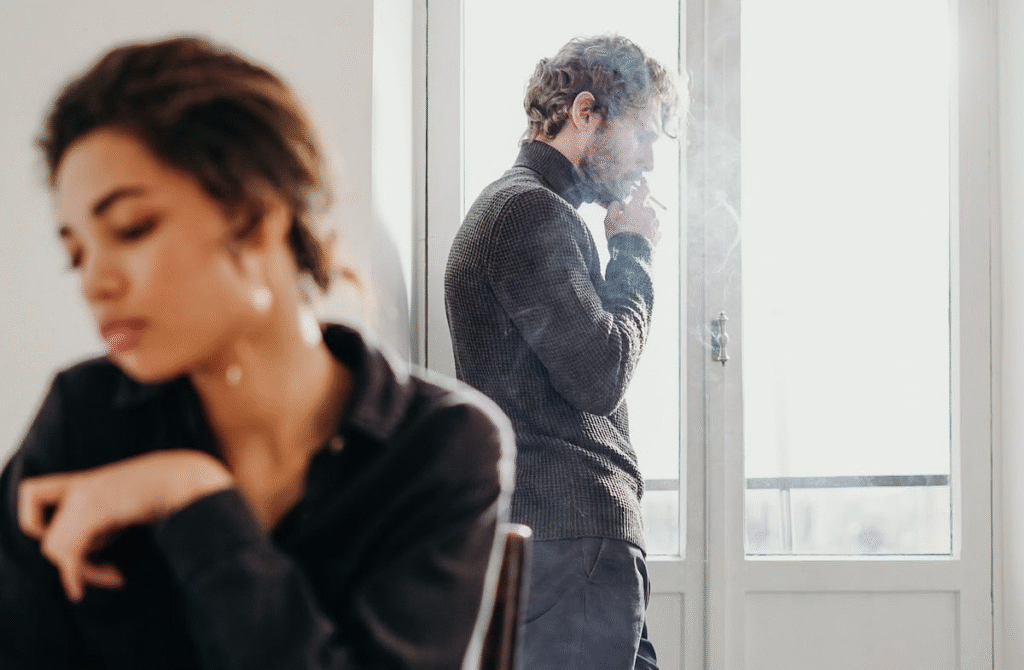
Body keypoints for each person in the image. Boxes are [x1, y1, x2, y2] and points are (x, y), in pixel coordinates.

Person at [0, 36, 512, 670]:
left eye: (130, 229)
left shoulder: (443, 445)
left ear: (259, 218)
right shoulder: (83, 414)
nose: (93, 282)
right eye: (75, 253)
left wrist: (193, 497)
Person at [444, 34, 680, 670]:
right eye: (644, 135)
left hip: (572, 541)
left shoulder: (529, 209)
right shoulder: (528, 211)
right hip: (570, 539)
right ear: (585, 112)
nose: (649, 162)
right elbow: (601, 373)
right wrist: (632, 250)